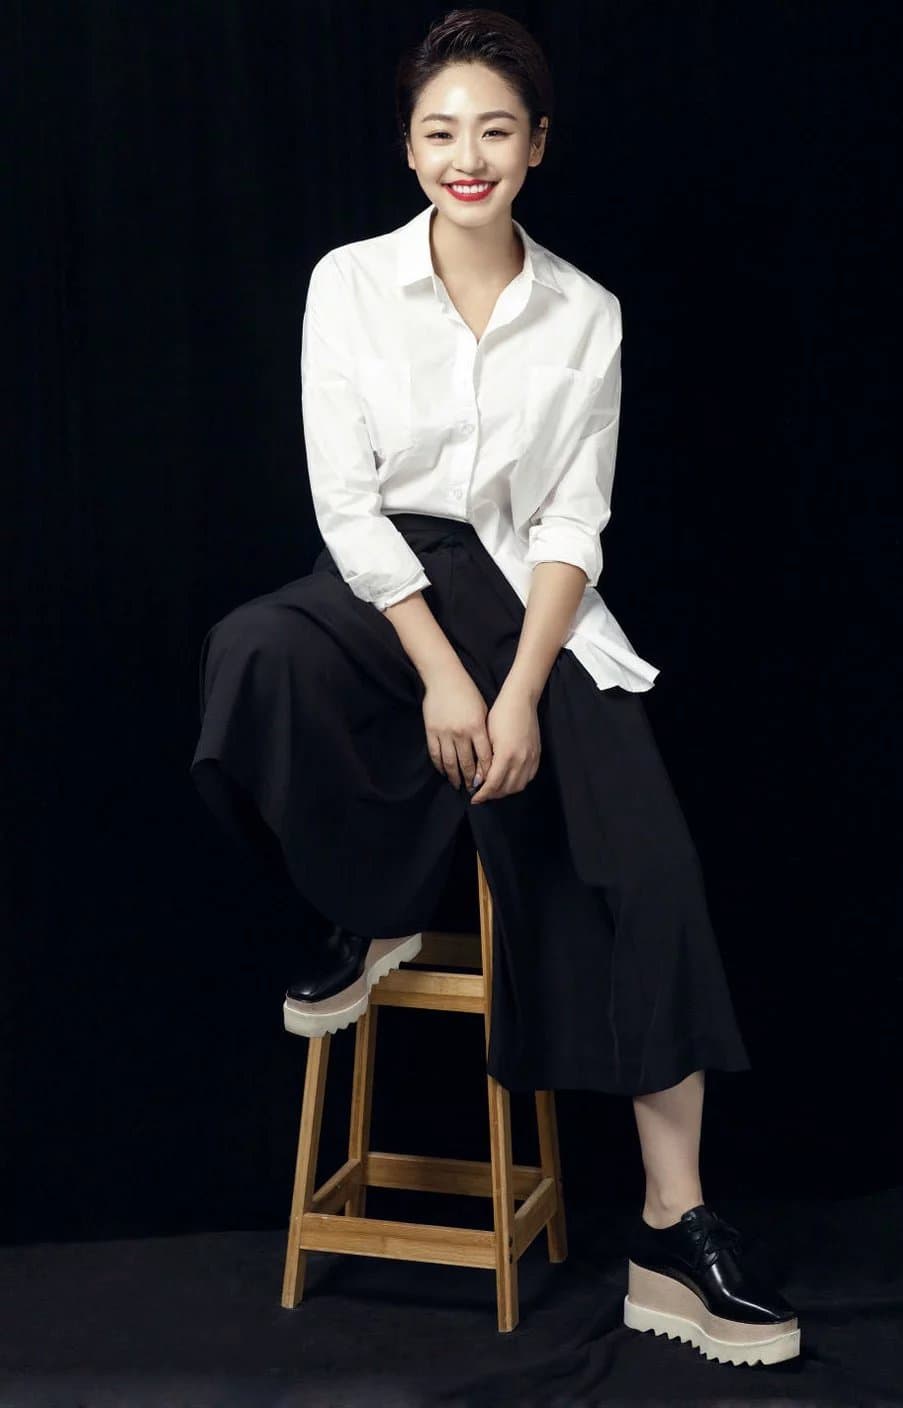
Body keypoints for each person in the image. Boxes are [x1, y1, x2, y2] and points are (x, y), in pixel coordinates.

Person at [190, 6, 800, 1368]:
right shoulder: (349, 283)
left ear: (536, 148)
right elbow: (348, 506)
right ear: (410, 151)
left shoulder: (587, 313)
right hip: (385, 593)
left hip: (529, 602)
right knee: (253, 656)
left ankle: (675, 1225)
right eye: (442, 132)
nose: (467, 157)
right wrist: (439, 678)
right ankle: (368, 907)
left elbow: (574, 521)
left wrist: (517, 689)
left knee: (649, 861)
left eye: (495, 132)